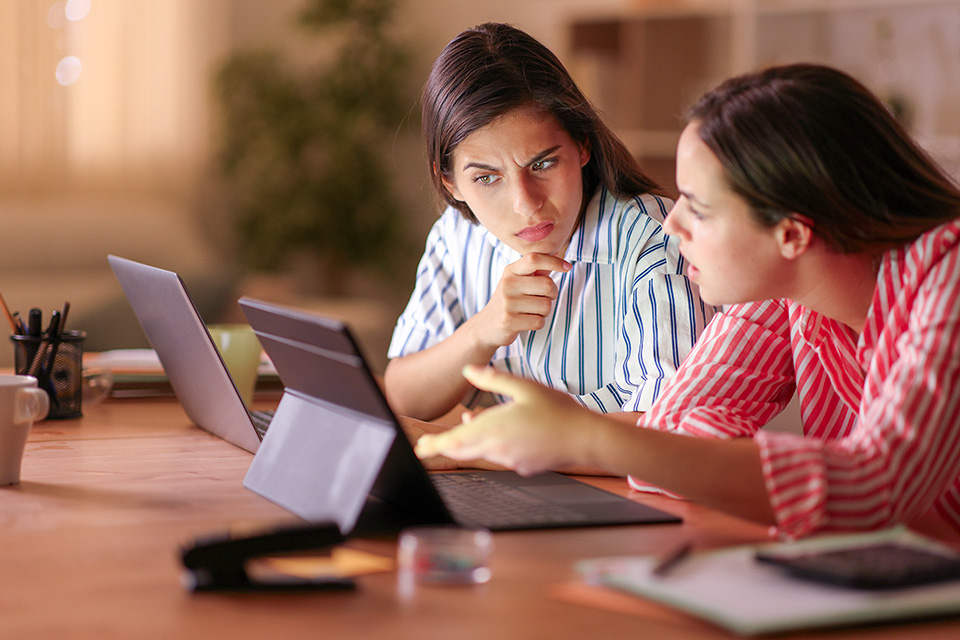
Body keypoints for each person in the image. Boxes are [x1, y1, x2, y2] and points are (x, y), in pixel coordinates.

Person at [416, 63, 960, 541]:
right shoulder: (783, 294)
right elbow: (673, 437)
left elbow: (877, 487)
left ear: (792, 234)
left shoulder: (949, 277)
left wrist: (586, 436)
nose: (673, 223)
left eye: (699, 209)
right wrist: (579, 439)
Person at [384, 23, 714, 427]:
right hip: (526, 483)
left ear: (582, 144)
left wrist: (490, 447)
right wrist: (484, 330)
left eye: (542, 163)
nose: (526, 204)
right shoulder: (456, 236)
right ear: (450, 182)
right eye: (487, 178)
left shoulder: (653, 240)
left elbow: (668, 429)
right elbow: (402, 397)